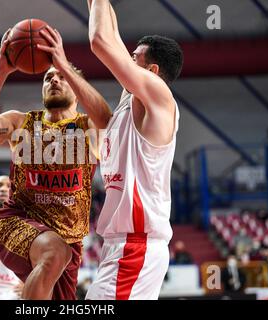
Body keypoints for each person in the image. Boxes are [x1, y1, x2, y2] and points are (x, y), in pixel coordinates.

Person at [0, 26, 111, 300]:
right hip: (17, 224)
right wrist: (1, 73)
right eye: (47, 77)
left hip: (69, 240)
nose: (53, 80)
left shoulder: (88, 127)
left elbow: (109, 123)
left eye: (61, 77)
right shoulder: (21, 122)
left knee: (59, 272)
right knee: (55, 252)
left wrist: (63, 63)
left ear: (76, 88)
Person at [85, 0, 184, 300]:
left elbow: (100, 41)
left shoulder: (158, 96)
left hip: (136, 246)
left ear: (152, 70)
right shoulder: (130, 102)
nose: (126, 61)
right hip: (125, 245)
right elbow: (110, 33)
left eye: (134, 59)